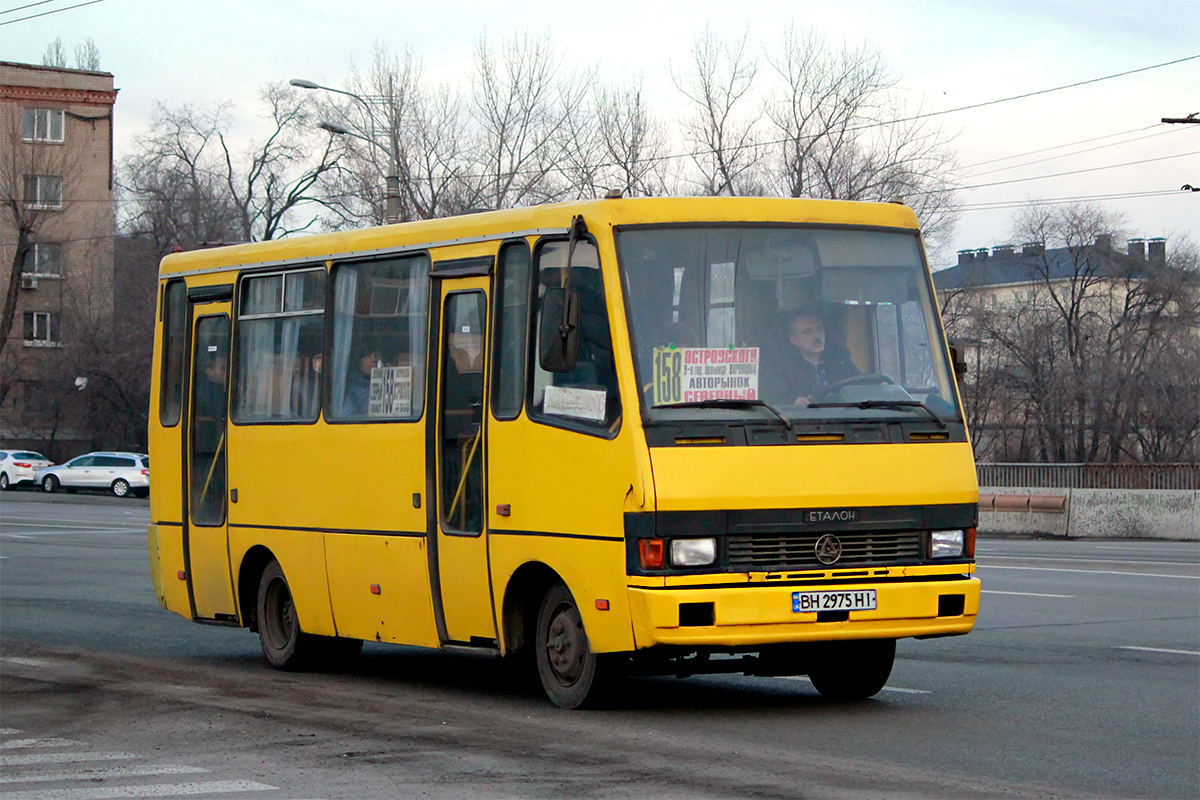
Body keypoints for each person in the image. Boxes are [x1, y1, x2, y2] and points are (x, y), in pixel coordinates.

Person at [777, 311, 860, 405]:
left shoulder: (841, 363)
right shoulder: (785, 372)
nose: (816, 336)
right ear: (794, 340)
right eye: (807, 331)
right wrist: (793, 403)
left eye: (819, 328)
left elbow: (863, 382)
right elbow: (776, 400)